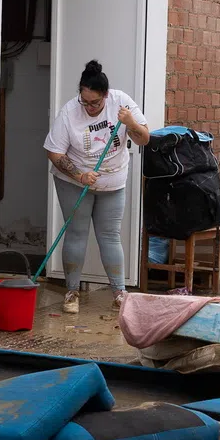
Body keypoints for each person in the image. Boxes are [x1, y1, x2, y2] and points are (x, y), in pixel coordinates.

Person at [44, 60, 150, 314]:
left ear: (105, 95)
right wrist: (80, 175)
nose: (90, 107)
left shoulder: (120, 102)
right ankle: (72, 291)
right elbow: (54, 152)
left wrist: (131, 123)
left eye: (95, 103)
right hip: (74, 181)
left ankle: (119, 293)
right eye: (85, 101)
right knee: (77, 233)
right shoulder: (70, 112)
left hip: (113, 181)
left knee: (110, 236)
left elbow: (145, 138)